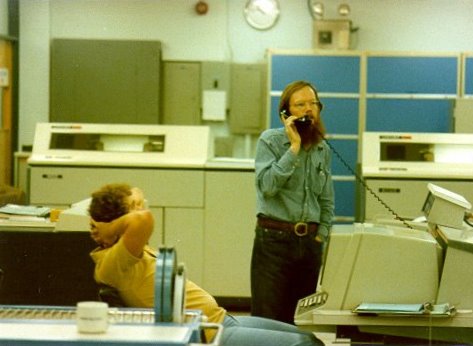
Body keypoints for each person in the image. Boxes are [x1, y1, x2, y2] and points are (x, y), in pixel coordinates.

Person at [88, 183, 324, 346]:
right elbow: (143, 220)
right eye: (137, 205)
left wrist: (121, 209)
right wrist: (108, 227)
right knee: (303, 344)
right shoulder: (114, 263)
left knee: (305, 336)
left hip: (219, 318)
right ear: (118, 223)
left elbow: (138, 205)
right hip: (207, 334)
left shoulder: (130, 252)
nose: (145, 208)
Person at [251, 80, 335, 324]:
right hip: (274, 242)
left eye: (313, 104)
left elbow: (326, 198)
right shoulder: (270, 141)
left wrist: (322, 234)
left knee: (301, 321)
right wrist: (294, 148)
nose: (309, 109)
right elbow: (267, 186)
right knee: (268, 321)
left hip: (309, 244)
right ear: (286, 113)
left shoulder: (322, 148)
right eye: (300, 104)